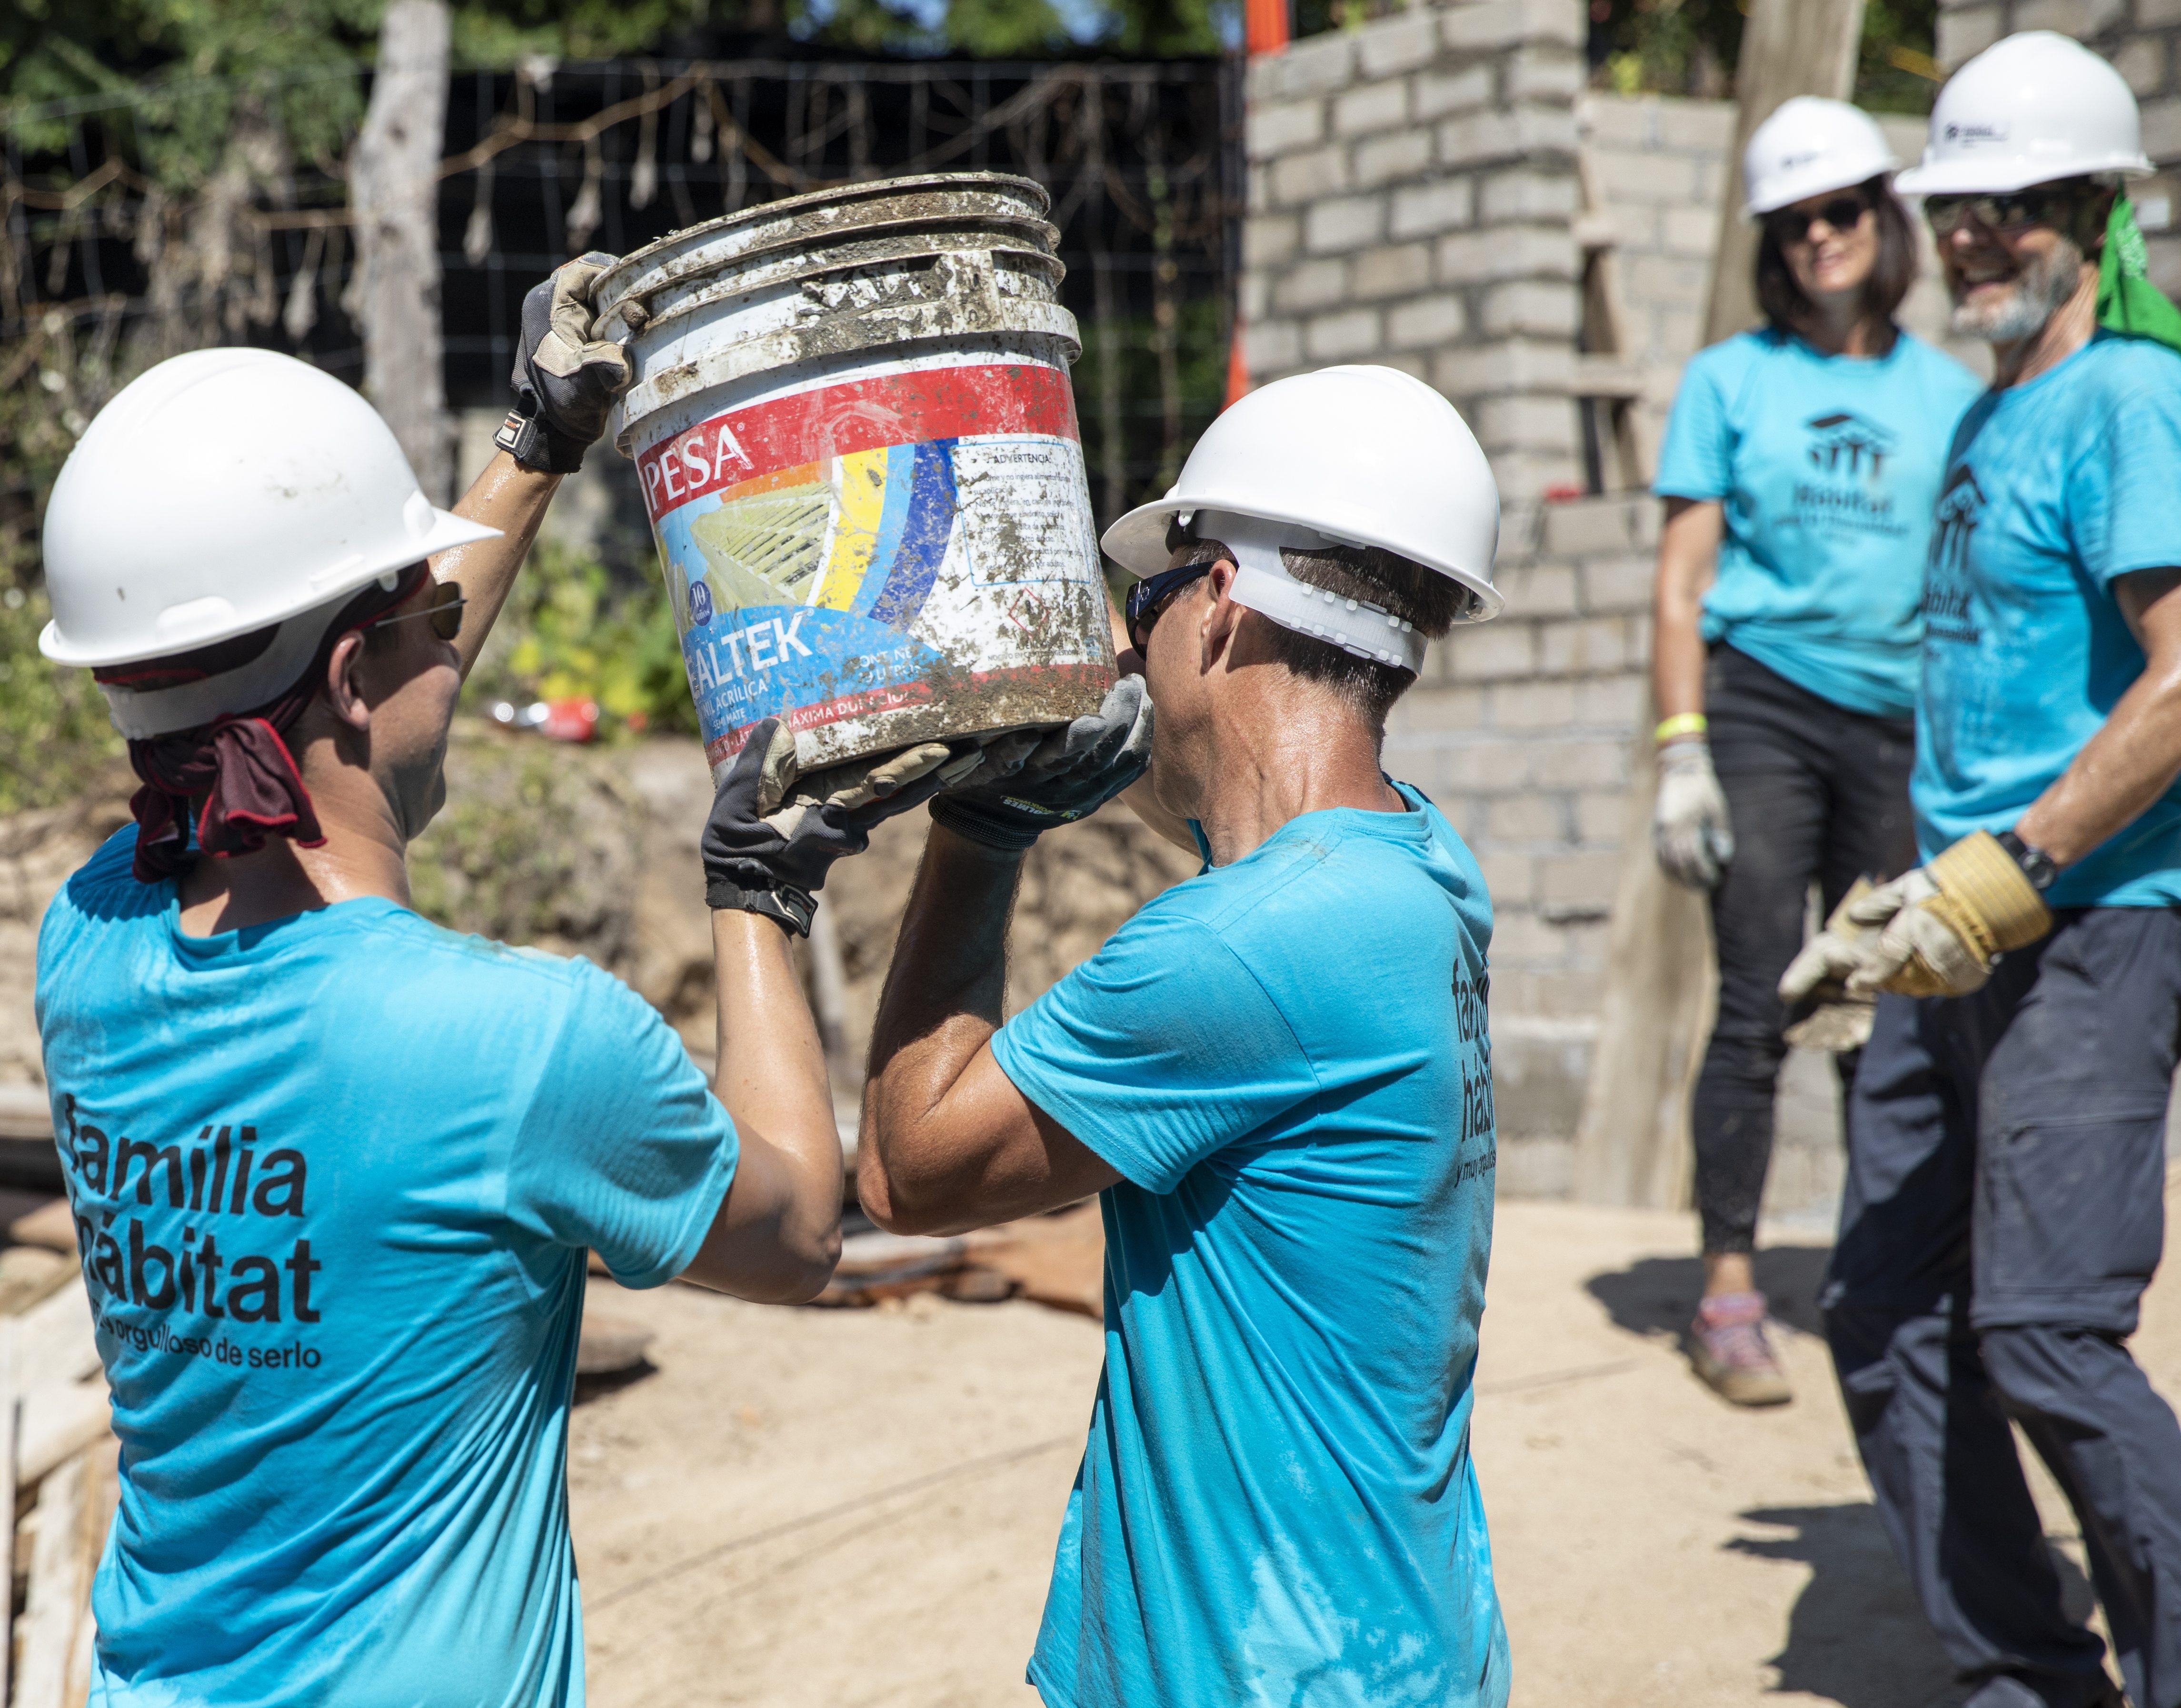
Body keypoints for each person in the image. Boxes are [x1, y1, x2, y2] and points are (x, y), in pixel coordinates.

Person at [32, 261, 941, 1705]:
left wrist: (535, 440)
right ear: (349, 676)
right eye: (426, 625)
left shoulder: (88, 940)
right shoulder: (521, 1048)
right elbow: (798, 1235)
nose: (450, 642)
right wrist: (756, 895)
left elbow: (326, 741)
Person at [843, 365, 1511, 1705]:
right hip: (1396, 1639)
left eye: (1148, 604)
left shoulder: (1240, 950)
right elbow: (1242, 813)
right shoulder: (1421, 868)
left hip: (1253, 1669)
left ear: (1220, 603)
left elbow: (906, 1174)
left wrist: (984, 827)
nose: (1131, 641)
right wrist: (1076, 718)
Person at [1782, 32, 2181, 1708]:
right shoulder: (1986, 413)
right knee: (1881, 1318)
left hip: (2086, 927)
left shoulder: (2132, 399)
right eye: (1955, 207)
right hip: (1951, 934)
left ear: (2094, 212)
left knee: (2042, 1334)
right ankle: (2030, 1677)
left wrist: (2010, 870)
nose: (1970, 239)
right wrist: (1903, 903)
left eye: (2012, 209)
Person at [1649, 96, 1982, 1406]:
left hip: (1901, 722)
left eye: (1841, 211)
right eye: (1792, 224)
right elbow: (1681, 584)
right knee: (1761, 995)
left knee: (1888, 1009)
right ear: (1768, 244)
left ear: (1882, 220)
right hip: (1765, 705)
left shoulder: (1952, 394)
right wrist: (1682, 750)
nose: (1819, 238)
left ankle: (1886, 1271)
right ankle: (1729, 1285)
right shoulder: (1732, 379)